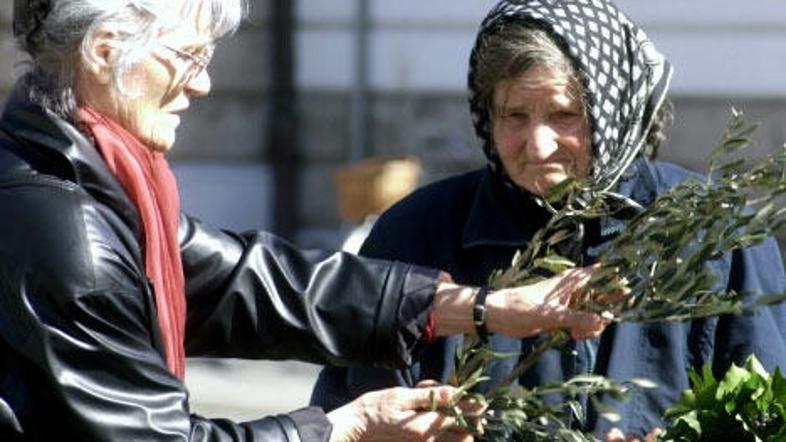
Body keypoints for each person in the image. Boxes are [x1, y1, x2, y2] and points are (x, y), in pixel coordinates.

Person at [0, 0, 620, 441]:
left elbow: (245, 281)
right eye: (188, 57)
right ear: (105, 53)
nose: (206, 84)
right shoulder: (66, 229)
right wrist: (341, 427)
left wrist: (480, 307)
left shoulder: (84, 175)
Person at [311, 0, 786, 440]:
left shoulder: (716, 235)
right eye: (514, 115)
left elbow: (765, 416)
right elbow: (353, 416)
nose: (537, 146)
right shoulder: (415, 233)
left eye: (564, 114)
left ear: (613, 111)